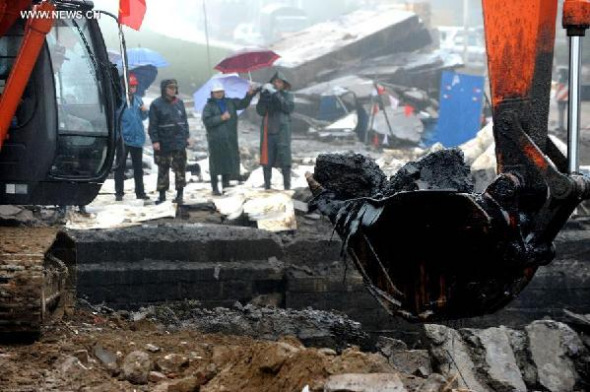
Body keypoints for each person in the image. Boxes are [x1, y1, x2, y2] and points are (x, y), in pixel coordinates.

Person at [202, 82, 257, 195]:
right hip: (215, 139)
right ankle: (215, 188)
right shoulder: (209, 106)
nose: (219, 94)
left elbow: (243, 104)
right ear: (212, 94)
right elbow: (207, 121)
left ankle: (225, 186)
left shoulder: (230, 102)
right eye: (216, 92)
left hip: (230, 137)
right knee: (215, 164)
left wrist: (249, 94)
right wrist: (221, 118)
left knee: (227, 162)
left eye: (221, 92)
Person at [148, 79, 190, 204]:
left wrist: (186, 136)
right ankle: (162, 195)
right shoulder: (156, 104)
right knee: (163, 169)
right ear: (164, 89)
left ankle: (180, 194)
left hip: (179, 142)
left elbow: (185, 122)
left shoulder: (180, 103)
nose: (173, 90)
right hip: (163, 142)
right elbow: (153, 125)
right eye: (170, 87)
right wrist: (155, 140)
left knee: (180, 168)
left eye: (175, 87)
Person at [256, 71, 294, 190]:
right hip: (268, 131)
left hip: (282, 132)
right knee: (267, 160)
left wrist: (276, 94)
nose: (277, 84)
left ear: (283, 84)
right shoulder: (267, 95)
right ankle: (267, 186)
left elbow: (288, 107)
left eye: (279, 82)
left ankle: (287, 187)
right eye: (274, 82)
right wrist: (263, 97)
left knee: (285, 160)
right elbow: (261, 111)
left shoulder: (288, 95)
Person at [115, 73, 150, 201]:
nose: (132, 89)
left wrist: (145, 111)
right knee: (120, 166)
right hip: (124, 138)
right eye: (130, 86)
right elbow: (116, 118)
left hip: (137, 138)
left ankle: (140, 192)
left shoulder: (139, 100)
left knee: (138, 168)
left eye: (134, 86)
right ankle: (119, 192)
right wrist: (117, 136)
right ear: (125, 86)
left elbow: (143, 117)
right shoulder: (120, 101)